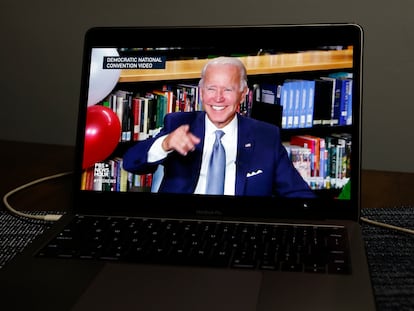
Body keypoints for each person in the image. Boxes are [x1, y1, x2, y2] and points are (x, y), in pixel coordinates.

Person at [122, 56, 315, 198]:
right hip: (183, 222)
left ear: (243, 93)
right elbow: (130, 162)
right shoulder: (178, 123)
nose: (218, 98)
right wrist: (165, 143)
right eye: (211, 88)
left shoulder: (266, 135)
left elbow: (297, 193)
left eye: (228, 89)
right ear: (201, 91)